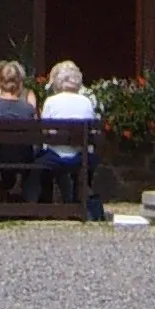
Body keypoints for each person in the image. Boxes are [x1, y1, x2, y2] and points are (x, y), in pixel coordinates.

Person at [39, 58, 97, 206]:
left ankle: (45, 205)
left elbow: (44, 131)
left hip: (54, 157)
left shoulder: (51, 102)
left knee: (39, 163)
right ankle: (79, 203)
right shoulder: (86, 102)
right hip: (80, 157)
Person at [0, 56, 38, 187]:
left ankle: (0, 192)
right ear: (19, 83)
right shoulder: (28, 109)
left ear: (0, 82)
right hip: (23, 157)